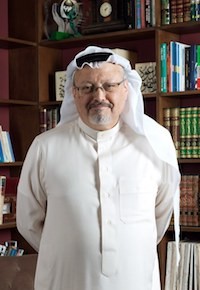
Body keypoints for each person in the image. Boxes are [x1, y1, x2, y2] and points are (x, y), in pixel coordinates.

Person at [16, 46, 180, 290]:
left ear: (126, 89)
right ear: (74, 93)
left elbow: (160, 217)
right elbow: (27, 221)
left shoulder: (155, 145)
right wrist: (68, 249)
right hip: (65, 282)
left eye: (109, 86)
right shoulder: (45, 147)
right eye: (87, 88)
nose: (99, 96)